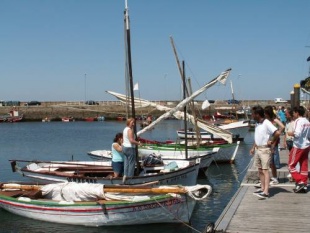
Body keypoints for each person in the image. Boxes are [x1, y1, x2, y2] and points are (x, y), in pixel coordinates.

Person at [250, 106, 281, 199]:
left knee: (265, 170)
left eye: (253, 114)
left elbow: (277, 133)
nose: (252, 115)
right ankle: (263, 188)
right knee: (260, 169)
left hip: (264, 149)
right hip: (258, 149)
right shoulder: (257, 123)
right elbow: (257, 137)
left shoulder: (266, 123)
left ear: (258, 114)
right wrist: (253, 147)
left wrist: (271, 141)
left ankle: (266, 192)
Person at [287, 106, 310, 193]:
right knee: (304, 165)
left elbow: (297, 134)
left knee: (291, 165)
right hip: (306, 145)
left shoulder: (298, 121)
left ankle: (300, 181)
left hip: (298, 146)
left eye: (293, 112)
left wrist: (290, 133)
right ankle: (304, 182)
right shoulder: (307, 121)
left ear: (297, 113)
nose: (293, 114)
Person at [264, 105, 285, 185]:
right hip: (267, 142)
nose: (264, 114)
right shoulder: (266, 121)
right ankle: (271, 177)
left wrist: (278, 133)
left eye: (265, 113)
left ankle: (275, 178)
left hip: (273, 142)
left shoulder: (274, 120)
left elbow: (282, 127)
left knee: (272, 162)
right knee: (269, 162)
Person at [122, 117, 140, 182]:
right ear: (129, 122)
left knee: (126, 163)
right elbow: (131, 140)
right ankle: (130, 178)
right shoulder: (129, 130)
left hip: (124, 147)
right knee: (132, 163)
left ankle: (125, 175)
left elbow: (124, 140)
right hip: (130, 148)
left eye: (134, 123)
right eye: (132, 123)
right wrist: (138, 143)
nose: (133, 124)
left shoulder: (125, 129)